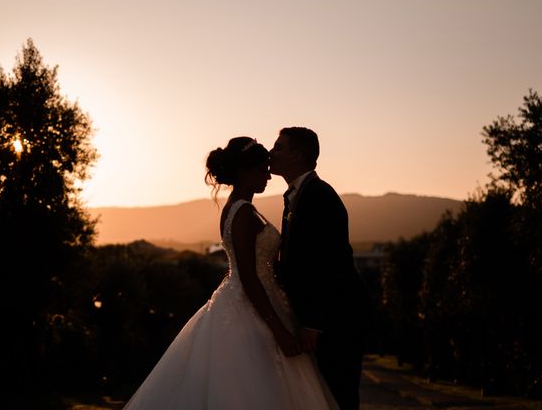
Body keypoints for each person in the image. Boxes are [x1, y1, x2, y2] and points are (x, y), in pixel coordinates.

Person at [123, 137, 338, 410]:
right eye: (262, 170)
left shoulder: (245, 208)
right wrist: (279, 332)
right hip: (250, 307)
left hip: (261, 299)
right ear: (245, 172)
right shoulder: (242, 213)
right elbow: (248, 277)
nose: (268, 176)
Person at [269, 127, 372, 410]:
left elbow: (332, 264)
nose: (270, 152)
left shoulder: (319, 196)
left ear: (297, 155)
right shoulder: (298, 194)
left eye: (278, 147)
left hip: (337, 318)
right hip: (322, 317)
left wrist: (314, 323)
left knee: (338, 396)